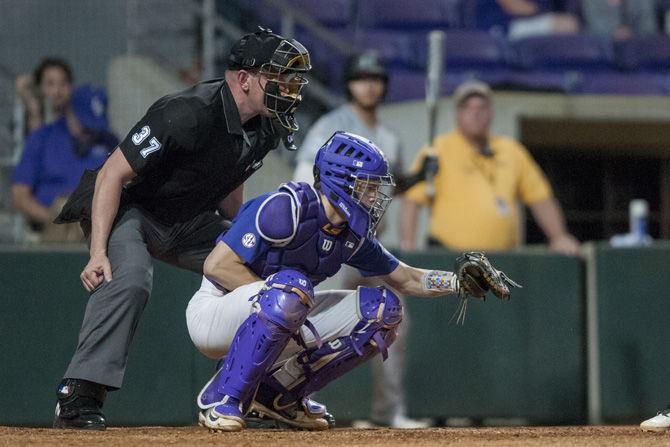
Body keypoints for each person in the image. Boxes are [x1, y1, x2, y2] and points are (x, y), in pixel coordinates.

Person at [51, 28, 311, 430]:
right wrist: (99, 251)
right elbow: (111, 176)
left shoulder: (266, 124)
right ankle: (79, 393)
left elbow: (231, 183)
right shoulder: (185, 112)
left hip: (188, 219)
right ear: (244, 79)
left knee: (265, 277)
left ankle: (259, 391)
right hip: (131, 209)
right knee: (131, 277)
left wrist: (245, 243)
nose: (288, 88)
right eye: (277, 77)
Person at [185, 131, 519, 432]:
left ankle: (278, 396)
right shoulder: (287, 207)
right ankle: (222, 395)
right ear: (341, 180)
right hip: (216, 313)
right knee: (292, 289)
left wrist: (457, 282)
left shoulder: (350, 234)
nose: (374, 196)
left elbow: (405, 278)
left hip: (283, 309)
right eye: (368, 186)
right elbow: (217, 266)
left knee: (383, 311)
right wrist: (279, 300)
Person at [293, 52, 431, 429]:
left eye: (376, 78)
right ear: (349, 84)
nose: (369, 84)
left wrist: (418, 177)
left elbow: (388, 187)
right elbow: (308, 174)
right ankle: (297, 402)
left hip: (368, 246)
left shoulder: (389, 136)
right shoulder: (331, 126)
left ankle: (388, 412)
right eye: (361, 78)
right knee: (307, 320)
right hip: (329, 239)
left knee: (396, 322)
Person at [401, 80, 580, 255]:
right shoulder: (438, 148)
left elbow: (540, 197)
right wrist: (409, 244)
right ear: (457, 114)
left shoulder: (511, 150)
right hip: (450, 257)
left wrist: (559, 236)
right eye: (468, 108)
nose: (475, 113)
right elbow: (412, 199)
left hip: (502, 259)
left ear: (491, 113)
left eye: (481, 108)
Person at [11, 85, 118, 242]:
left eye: (95, 126)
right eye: (85, 125)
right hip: (47, 229)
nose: (91, 133)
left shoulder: (110, 142)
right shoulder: (42, 138)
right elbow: (19, 196)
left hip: (97, 229)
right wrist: (55, 219)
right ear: (70, 113)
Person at [15, 58, 74, 135]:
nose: (57, 91)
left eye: (63, 83)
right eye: (50, 84)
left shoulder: (79, 122)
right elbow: (36, 145)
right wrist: (34, 113)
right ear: (39, 87)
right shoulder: (23, 122)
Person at [476, 0, 580, 40]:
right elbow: (515, 6)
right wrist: (540, 11)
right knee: (566, 24)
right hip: (502, 28)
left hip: (527, 24)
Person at [580, 0, 659, 39]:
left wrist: (631, 34)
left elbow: (649, 28)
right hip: (600, 57)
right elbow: (593, 25)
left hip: (639, 55)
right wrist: (614, 32)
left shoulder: (641, 2)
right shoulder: (592, 2)